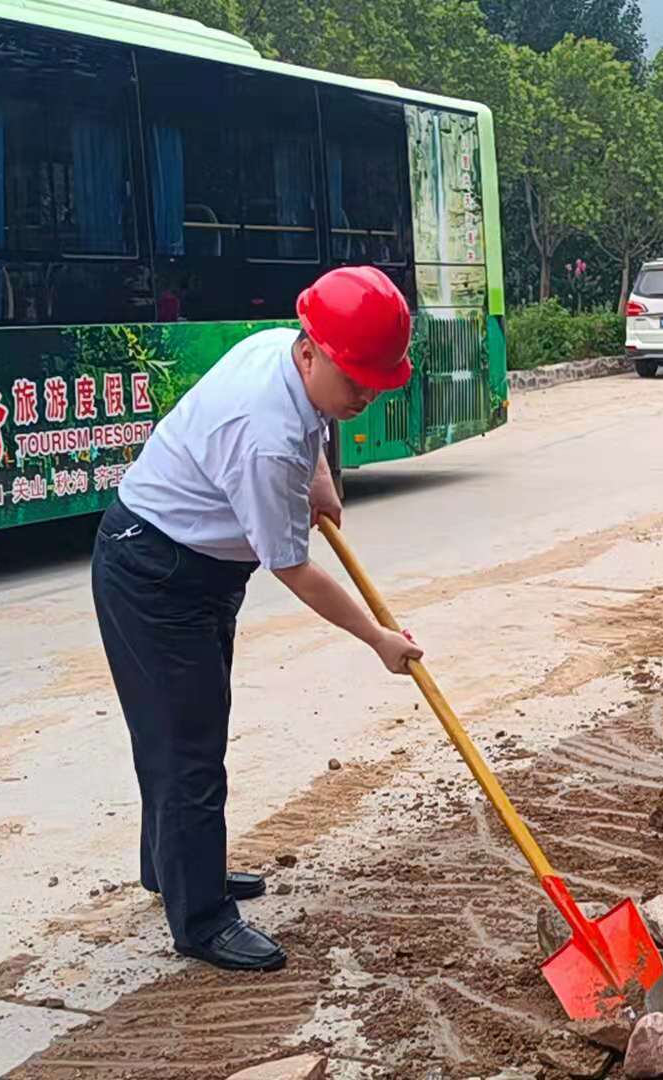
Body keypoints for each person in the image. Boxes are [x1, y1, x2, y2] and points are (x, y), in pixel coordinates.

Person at [93, 266, 425, 972]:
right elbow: (296, 569)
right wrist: (377, 639)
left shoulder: (284, 352)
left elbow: (312, 430)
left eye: (375, 379)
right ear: (311, 350)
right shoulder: (265, 433)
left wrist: (323, 476)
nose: (365, 394)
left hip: (195, 569)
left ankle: (177, 869)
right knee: (189, 751)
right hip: (157, 576)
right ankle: (201, 918)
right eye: (355, 379)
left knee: (181, 732)